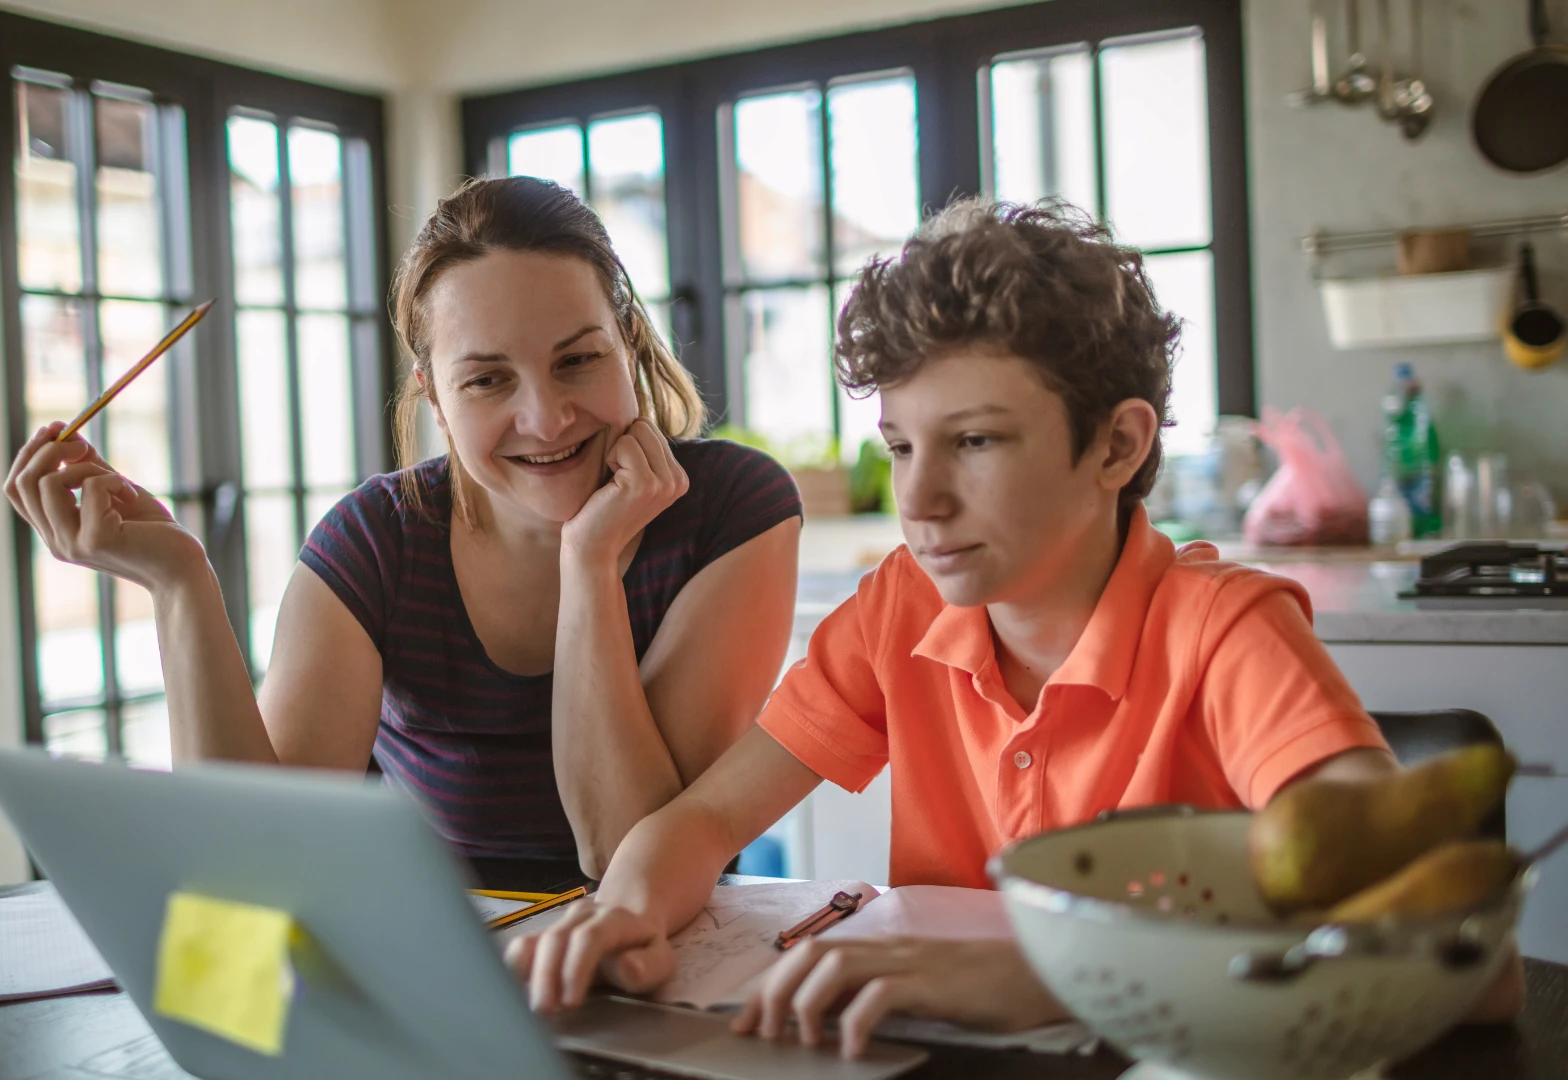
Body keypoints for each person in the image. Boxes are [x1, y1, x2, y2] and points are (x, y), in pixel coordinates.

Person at [504, 199, 1526, 1054]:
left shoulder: (1226, 632)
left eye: (977, 441)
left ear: (1118, 445)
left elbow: (1465, 967)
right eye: (901, 447)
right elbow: (705, 822)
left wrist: (1065, 974)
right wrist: (630, 909)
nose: (923, 500)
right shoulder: (898, 608)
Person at [3, 176, 803, 883]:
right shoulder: (377, 543)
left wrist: (587, 563)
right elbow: (250, 863)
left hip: (669, 972)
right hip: (438, 987)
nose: (546, 417)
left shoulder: (735, 510)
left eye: (577, 361)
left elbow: (622, 851)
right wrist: (179, 582)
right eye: (488, 379)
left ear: (628, 344)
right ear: (431, 393)